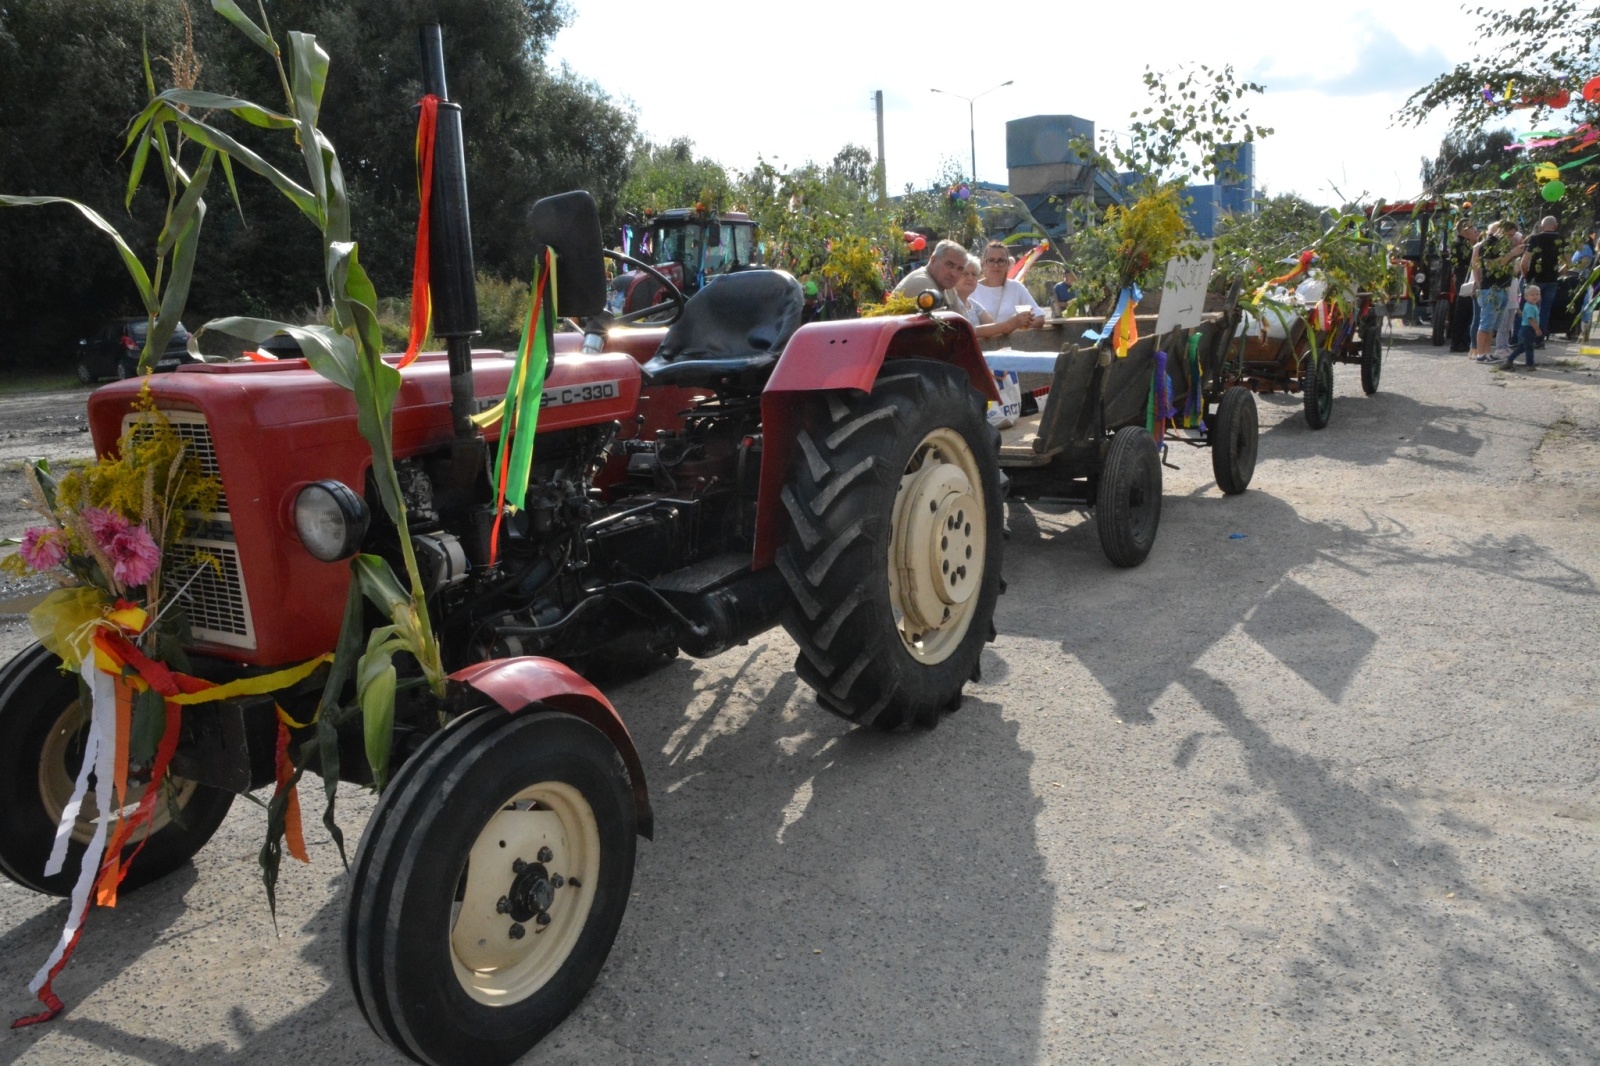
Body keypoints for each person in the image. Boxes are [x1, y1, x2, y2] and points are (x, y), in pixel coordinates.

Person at [952, 255, 1032, 339]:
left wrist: (1018, 322)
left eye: (974, 274)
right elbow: (970, 331)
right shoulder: (950, 302)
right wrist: (1009, 324)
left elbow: (993, 325)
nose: (970, 278)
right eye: (965, 274)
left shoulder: (973, 304)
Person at [968, 241, 1044, 328]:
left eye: (1001, 261)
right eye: (991, 260)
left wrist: (1021, 324)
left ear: (1008, 264)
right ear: (983, 264)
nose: (996, 265)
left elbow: (1039, 317)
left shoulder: (1016, 287)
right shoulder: (972, 289)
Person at [1471, 221, 1517, 363]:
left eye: (1513, 235)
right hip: (1492, 288)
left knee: (1493, 325)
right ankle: (1481, 354)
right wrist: (1512, 254)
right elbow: (1491, 264)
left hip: (1503, 287)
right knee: (1486, 323)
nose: (1511, 238)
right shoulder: (1488, 243)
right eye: (1509, 234)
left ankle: (1487, 353)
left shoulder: (1503, 245)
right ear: (1501, 231)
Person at [1521, 216, 1562, 347]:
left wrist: (1526, 276)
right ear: (1556, 226)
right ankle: (1540, 339)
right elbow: (1569, 262)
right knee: (1545, 311)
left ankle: (1526, 338)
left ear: (1542, 226)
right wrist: (1559, 273)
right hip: (1552, 279)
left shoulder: (1535, 239)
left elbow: (1524, 262)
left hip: (1535, 278)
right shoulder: (1561, 239)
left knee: (1529, 309)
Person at [894, 239, 968, 305]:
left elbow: (961, 318)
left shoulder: (947, 287)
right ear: (933, 260)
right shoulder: (922, 282)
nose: (954, 274)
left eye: (960, 269)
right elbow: (939, 320)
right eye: (949, 264)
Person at [1503, 283, 1542, 370]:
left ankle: (1509, 360)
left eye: (1537, 294)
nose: (1535, 296)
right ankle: (1529, 365)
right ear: (1526, 297)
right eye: (1532, 295)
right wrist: (1537, 329)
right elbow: (1531, 319)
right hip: (1528, 329)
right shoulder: (1530, 307)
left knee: (1522, 347)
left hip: (1526, 329)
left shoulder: (1531, 305)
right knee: (1529, 348)